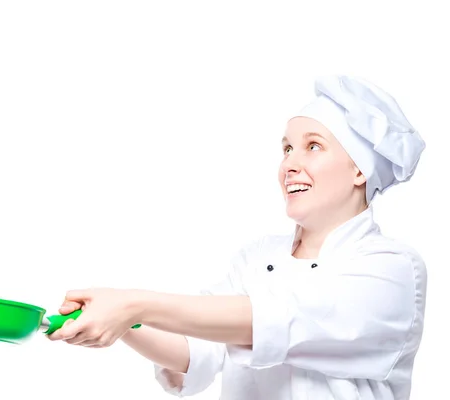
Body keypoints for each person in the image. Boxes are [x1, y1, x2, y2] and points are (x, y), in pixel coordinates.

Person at [47, 75, 427, 399]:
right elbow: (194, 347)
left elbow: (273, 320)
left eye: (313, 146)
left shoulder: (391, 270)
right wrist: (115, 321)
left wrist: (131, 306)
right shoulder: (257, 257)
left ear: (359, 170)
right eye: (287, 148)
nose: (290, 164)